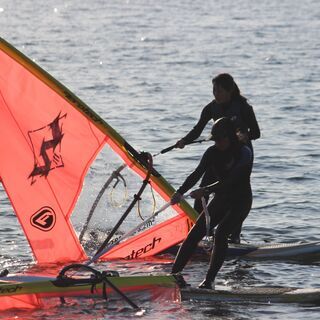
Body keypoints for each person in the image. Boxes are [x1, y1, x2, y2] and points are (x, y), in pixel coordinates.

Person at [176, 73, 260, 243]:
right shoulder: (211, 108)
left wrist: (244, 136)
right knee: (203, 191)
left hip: (241, 156)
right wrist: (184, 140)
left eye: (219, 90)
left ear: (230, 91)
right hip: (220, 153)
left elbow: (256, 133)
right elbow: (198, 129)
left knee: (235, 194)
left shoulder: (243, 107)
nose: (215, 94)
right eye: (213, 90)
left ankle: (234, 236)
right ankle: (203, 232)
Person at [171, 117, 253, 289]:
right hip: (222, 199)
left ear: (230, 136)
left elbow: (232, 180)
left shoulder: (244, 153)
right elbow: (196, 174)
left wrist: (206, 190)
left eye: (220, 139)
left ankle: (209, 281)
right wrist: (179, 192)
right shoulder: (212, 152)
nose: (217, 143)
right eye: (214, 139)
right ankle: (174, 275)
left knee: (221, 233)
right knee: (194, 234)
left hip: (240, 201)